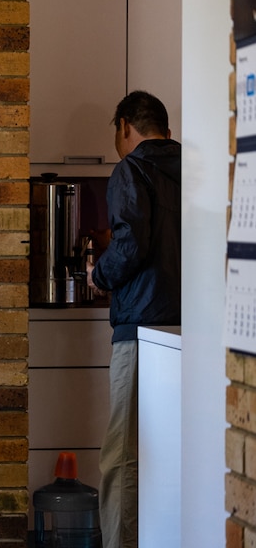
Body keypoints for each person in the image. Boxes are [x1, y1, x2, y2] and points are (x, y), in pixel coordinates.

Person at [86, 91, 181, 548]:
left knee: (124, 456)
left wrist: (97, 274)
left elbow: (129, 245)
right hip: (191, 329)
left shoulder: (131, 170)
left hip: (141, 328)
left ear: (125, 125)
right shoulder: (196, 168)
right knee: (179, 452)